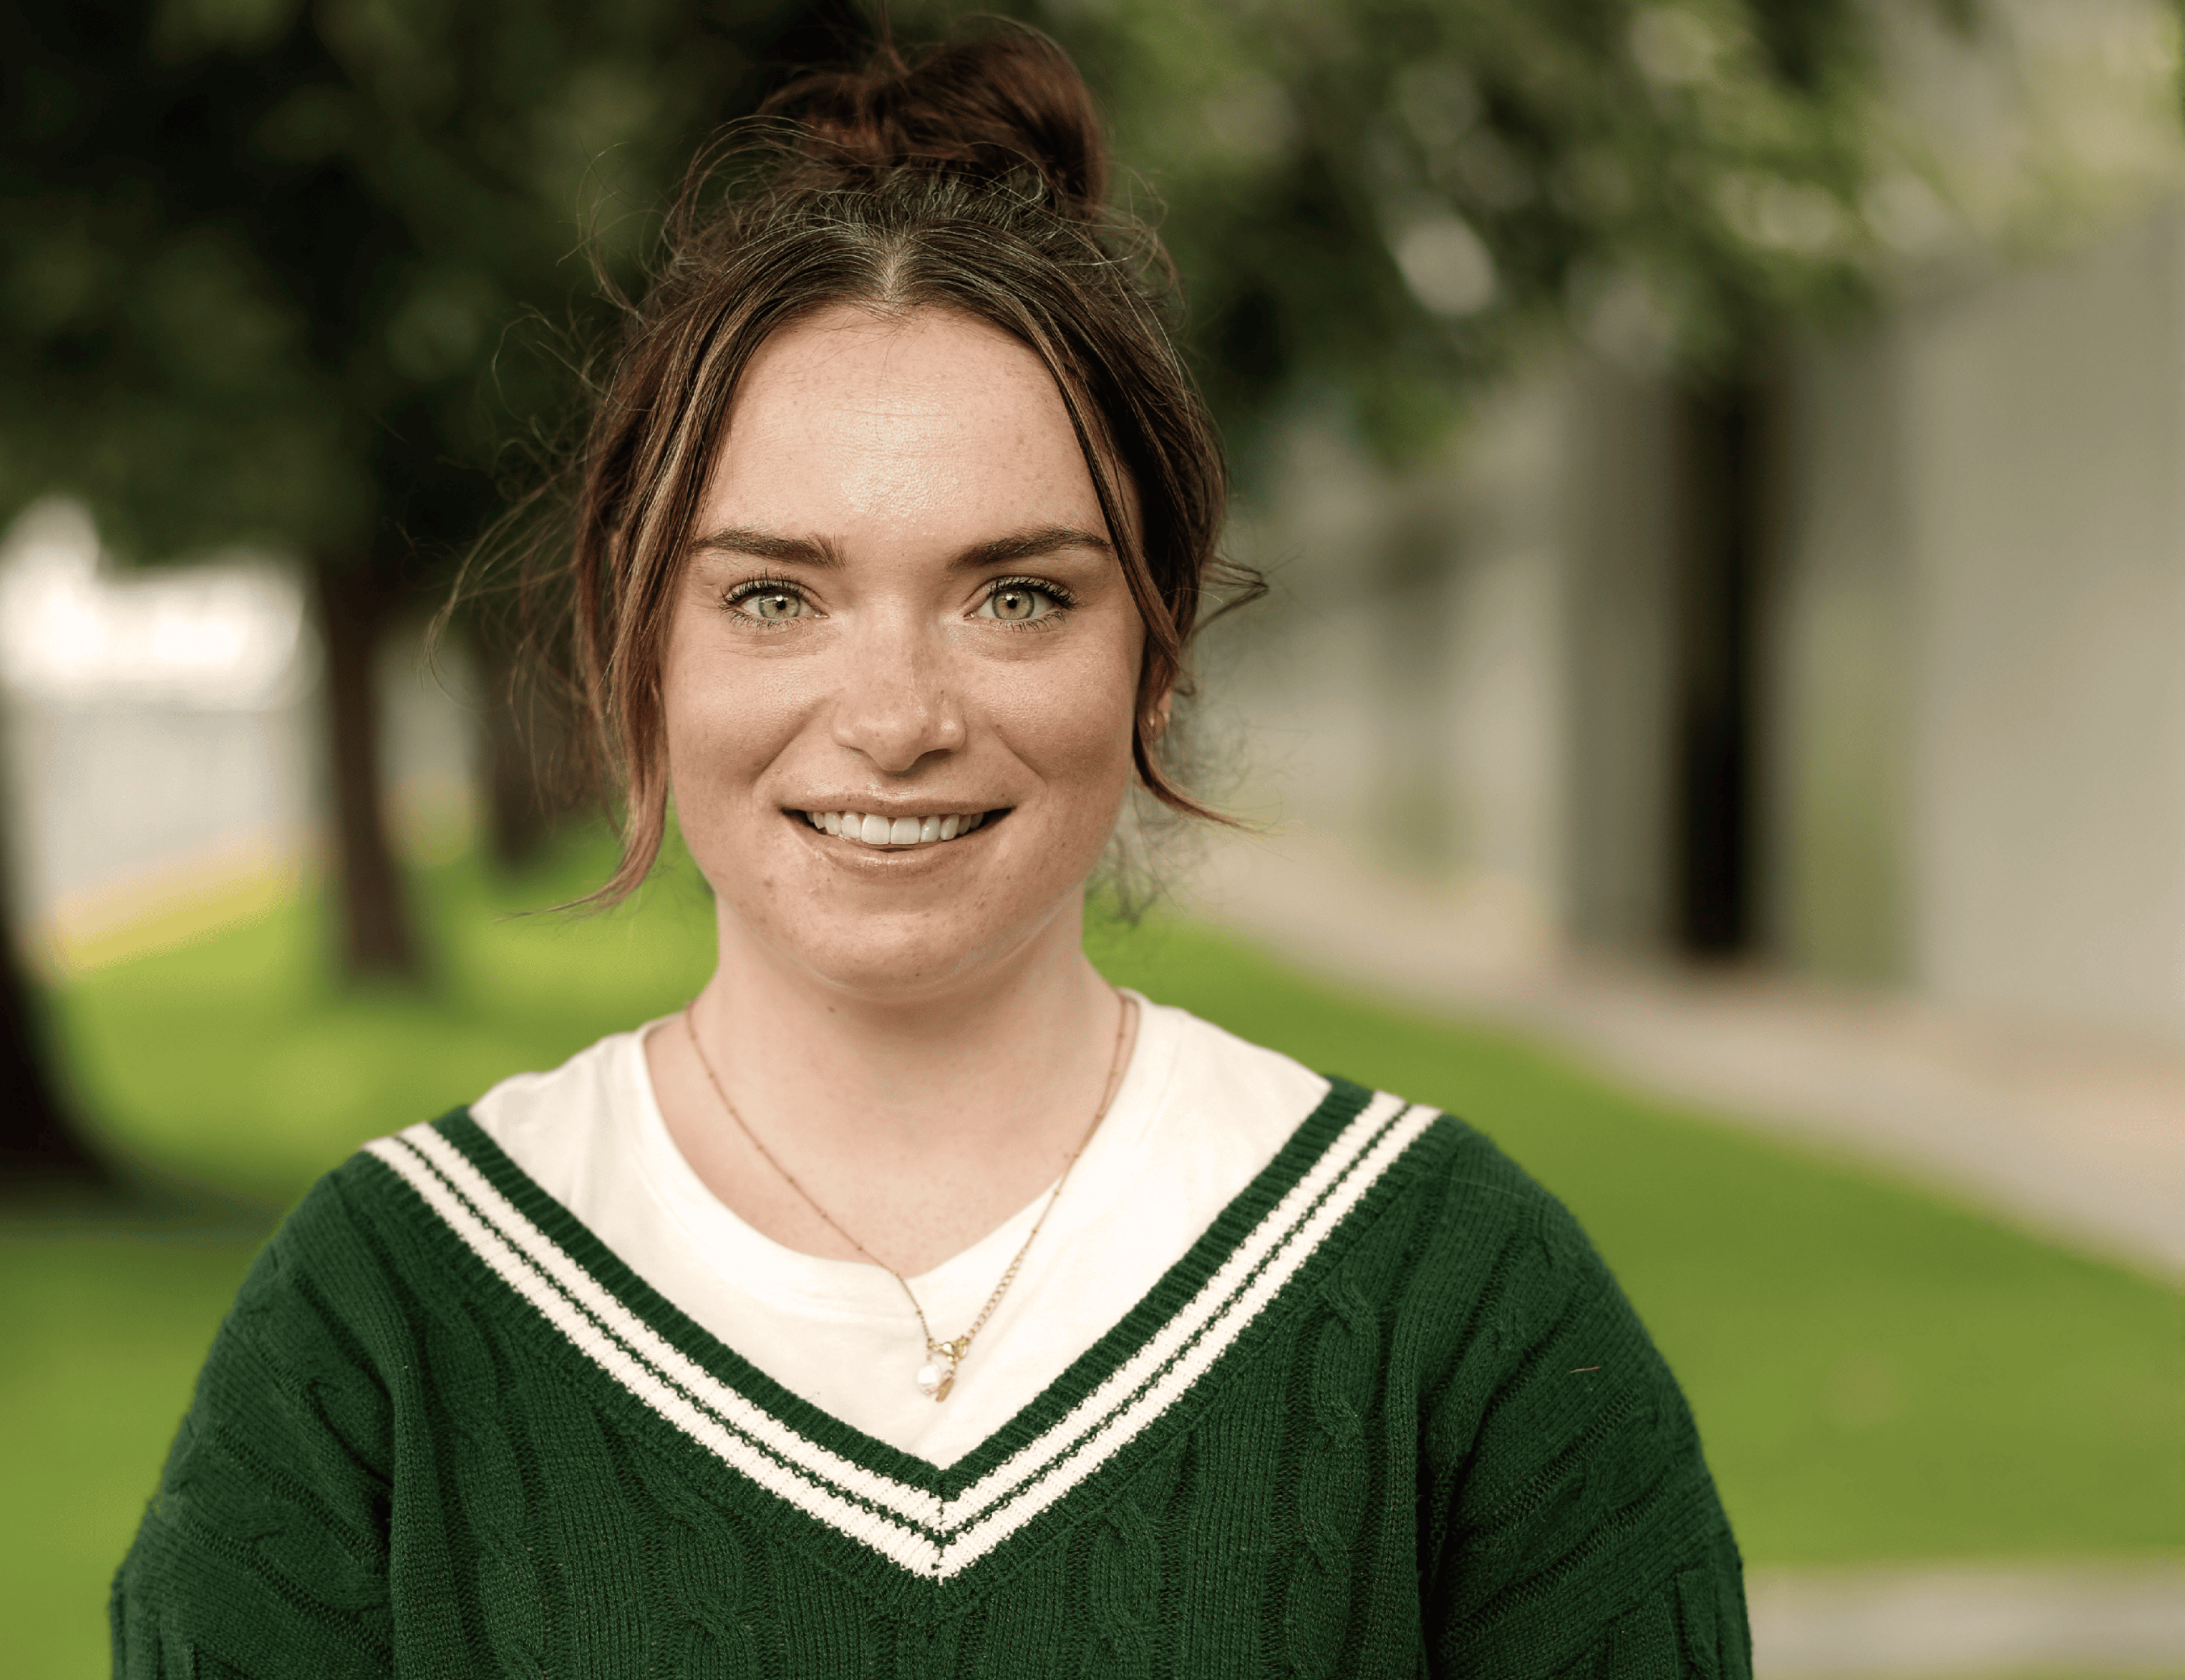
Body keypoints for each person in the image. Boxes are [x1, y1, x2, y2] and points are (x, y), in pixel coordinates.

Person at [111, 26, 1748, 1677]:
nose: (894, 715)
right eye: (774, 596)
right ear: (640, 642)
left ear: (1158, 653)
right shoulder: (381, 1328)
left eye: (1017, 595)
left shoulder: (1451, 1307)